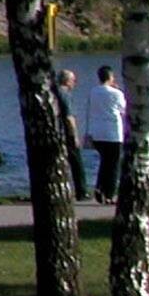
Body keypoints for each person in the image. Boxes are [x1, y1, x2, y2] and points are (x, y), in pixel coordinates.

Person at [85, 64, 129, 202]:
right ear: (110, 77)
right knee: (114, 164)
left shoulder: (93, 91)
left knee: (104, 162)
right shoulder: (116, 93)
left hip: (97, 132)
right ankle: (109, 193)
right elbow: (124, 110)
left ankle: (100, 187)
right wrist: (118, 90)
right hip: (113, 133)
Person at [54, 67, 88, 199]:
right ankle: (82, 191)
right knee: (76, 162)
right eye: (73, 80)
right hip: (66, 132)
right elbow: (69, 117)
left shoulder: (54, 92)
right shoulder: (65, 94)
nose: (74, 83)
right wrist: (74, 135)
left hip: (56, 131)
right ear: (67, 81)